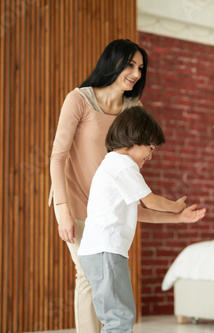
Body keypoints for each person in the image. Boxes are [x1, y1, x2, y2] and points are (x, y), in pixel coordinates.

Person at [78, 106, 206, 332]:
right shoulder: (123, 164)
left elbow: (140, 212)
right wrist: (175, 206)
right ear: (134, 137)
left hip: (97, 253)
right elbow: (151, 201)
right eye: (151, 147)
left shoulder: (112, 165)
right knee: (119, 318)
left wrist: (179, 219)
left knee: (114, 316)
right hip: (106, 251)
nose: (151, 154)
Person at [49, 39, 148, 332]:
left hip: (108, 205)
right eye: (130, 65)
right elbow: (58, 156)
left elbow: (136, 158)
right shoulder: (79, 99)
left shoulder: (133, 108)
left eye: (140, 68)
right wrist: (63, 210)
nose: (136, 73)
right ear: (112, 63)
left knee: (103, 275)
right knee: (87, 275)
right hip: (74, 199)